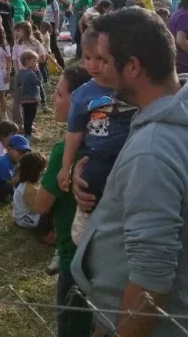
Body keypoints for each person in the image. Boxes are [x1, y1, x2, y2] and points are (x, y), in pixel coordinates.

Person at [70, 8, 188, 336]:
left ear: (133, 67)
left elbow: (149, 279)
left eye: (106, 60)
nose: (99, 70)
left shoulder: (153, 150)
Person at [32, 65, 93, 336]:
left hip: (74, 255)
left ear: (78, 102)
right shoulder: (104, 142)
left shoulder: (62, 155)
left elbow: (41, 205)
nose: (54, 99)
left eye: (59, 94)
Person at [59, 28, 135, 242]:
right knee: (89, 189)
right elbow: (74, 132)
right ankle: (84, 230)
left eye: (100, 59)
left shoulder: (128, 88)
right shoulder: (82, 95)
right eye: (87, 58)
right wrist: (66, 168)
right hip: (98, 155)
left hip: (129, 155)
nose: (92, 65)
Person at [12, 151, 48, 230]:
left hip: (29, 212)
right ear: (35, 171)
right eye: (42, 168)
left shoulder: (28, 184)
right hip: (25, 218)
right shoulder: (29, 189)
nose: (44, 170)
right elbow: (39, 209)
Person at [16, 49, 42, 138]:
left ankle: (27, 131)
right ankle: (28, 134)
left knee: (26, 117)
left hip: (24, 99)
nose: (36, 63)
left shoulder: (20, 73)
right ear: (27, 61)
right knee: (30, 118)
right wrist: (38, 71)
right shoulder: (30, 74)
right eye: (34, 61)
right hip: (32, 99)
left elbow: (18, 84)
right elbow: (39, 82)